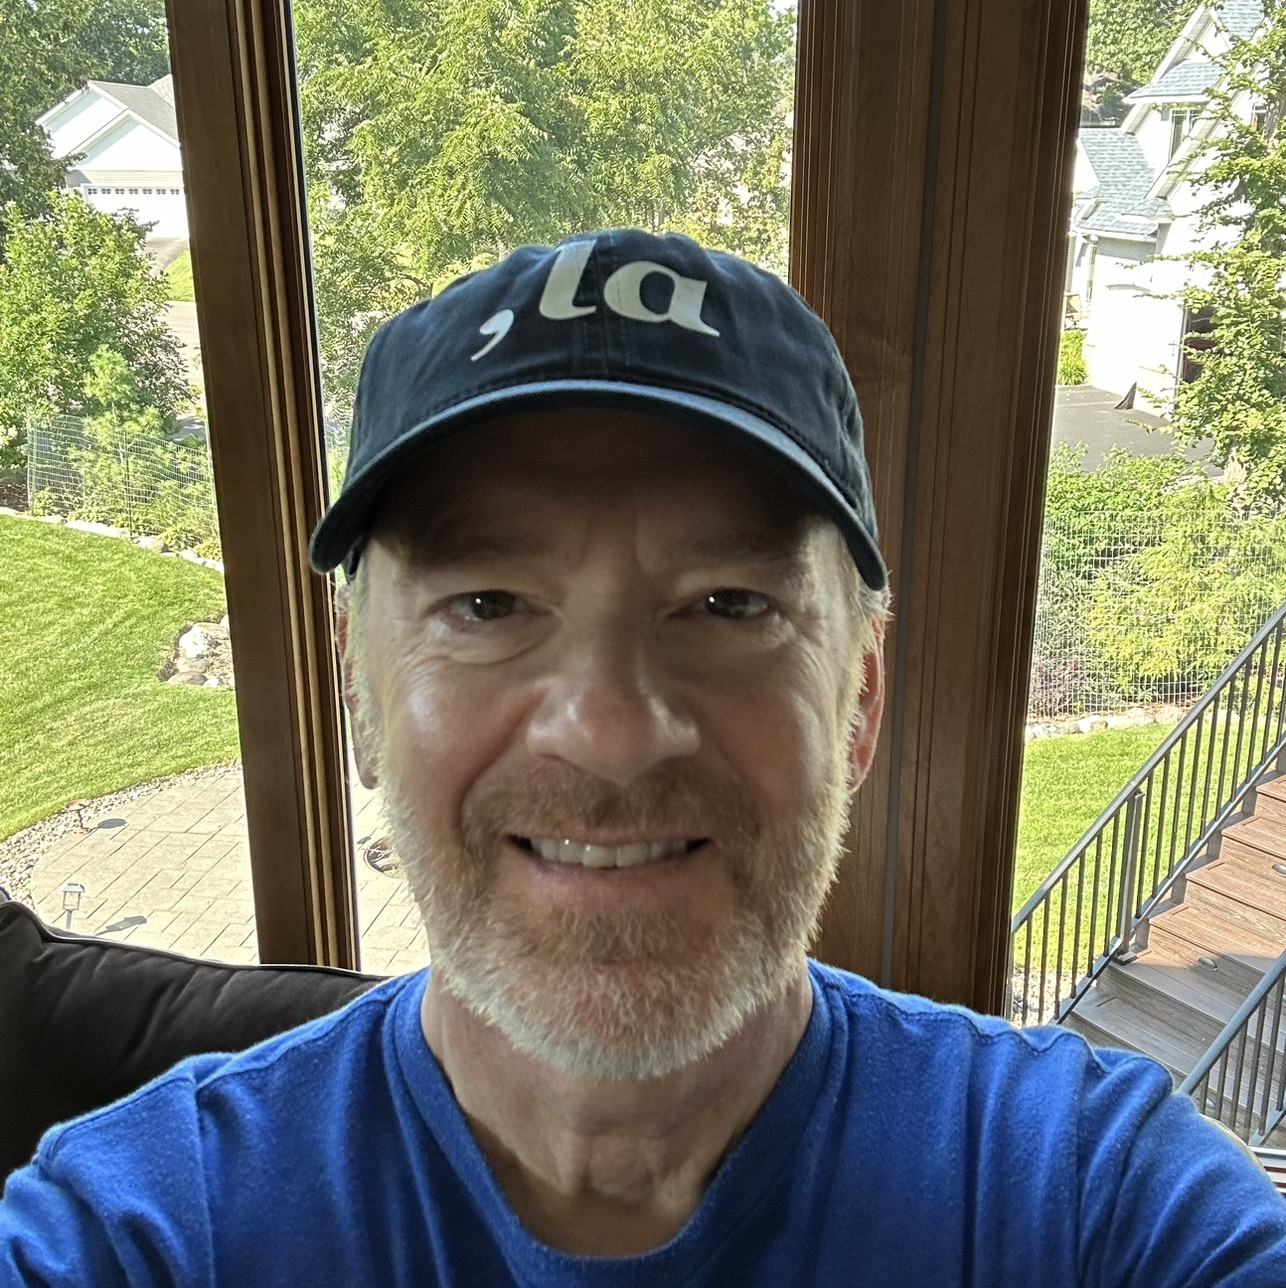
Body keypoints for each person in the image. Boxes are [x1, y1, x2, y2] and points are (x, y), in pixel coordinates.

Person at [1, 229, 1284, 1286]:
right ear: (357, 688)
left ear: (858, 695)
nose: (609, 735)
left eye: (729, 604)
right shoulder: (142, 1232)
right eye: (487, 605)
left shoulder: (1092, 1205)